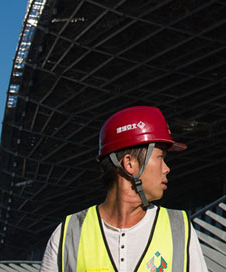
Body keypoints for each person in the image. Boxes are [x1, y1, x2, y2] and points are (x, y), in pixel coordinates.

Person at [40, 106, 208, 272]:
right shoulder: (69, 233)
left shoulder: (179, 228)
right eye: (160, 158)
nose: (166, 168)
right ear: (129, 163)